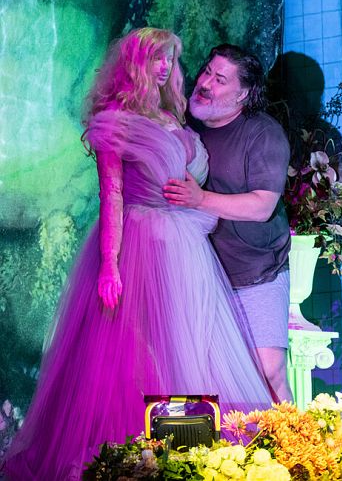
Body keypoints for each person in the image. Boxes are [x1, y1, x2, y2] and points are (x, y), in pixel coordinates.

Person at [1, 28, 271, 481]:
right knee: (145, 354)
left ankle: (188, 455)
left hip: (186, 250)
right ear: (134, 63)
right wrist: (110, 264)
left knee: (192, 346)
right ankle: (138, 460)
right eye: (156, 58)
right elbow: (112, 194)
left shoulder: (171, 116)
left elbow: (189, 186)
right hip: (142, 245)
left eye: (170, 58)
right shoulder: (117, 121)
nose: (165, 67)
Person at [163, 44, 293, 403]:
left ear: (243, 94)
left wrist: (200, 199)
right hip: (201, 274)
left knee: (267, 370)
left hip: (256, 272)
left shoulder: (262, 133)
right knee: (209, 378)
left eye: (220, 80)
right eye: (207, 72)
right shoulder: (182, 128)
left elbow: (262, 206)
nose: (205, 83)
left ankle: (294, 438)